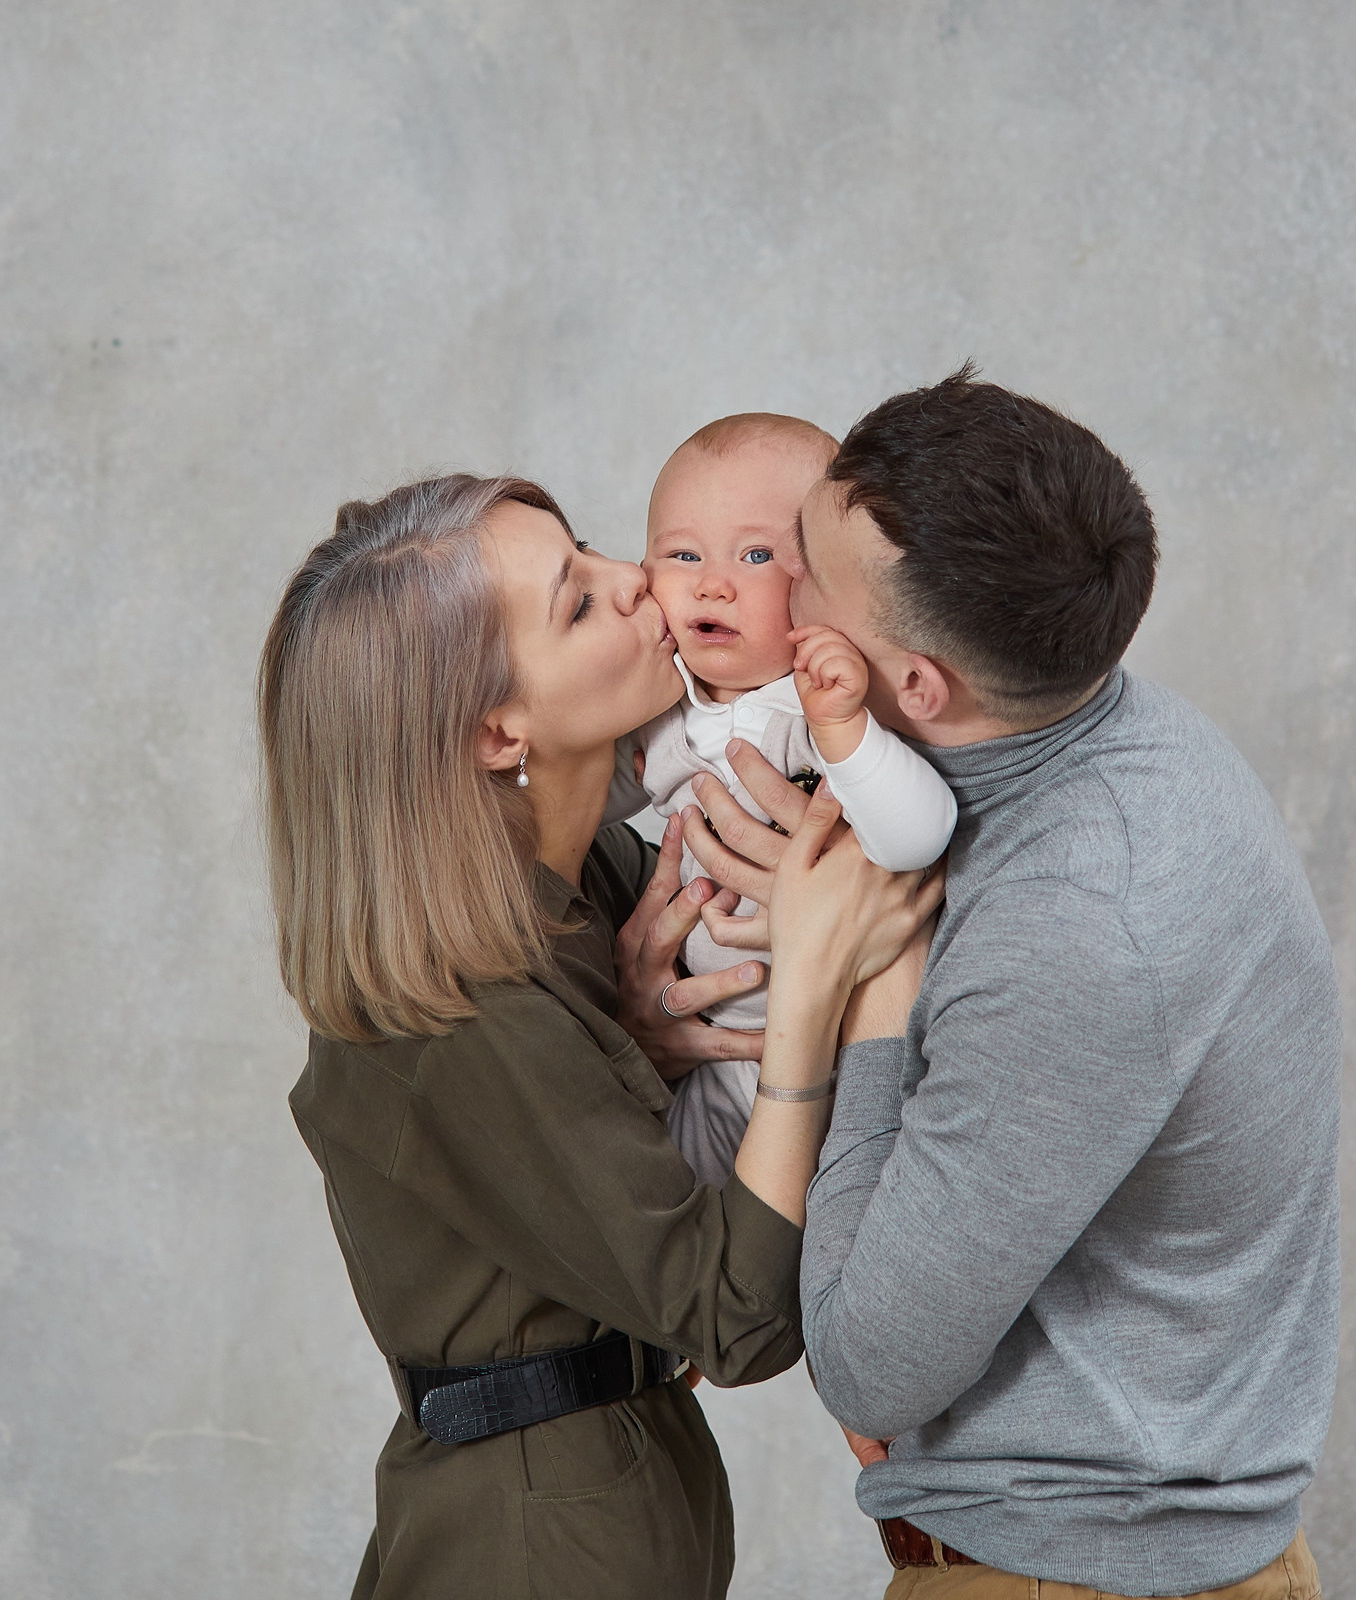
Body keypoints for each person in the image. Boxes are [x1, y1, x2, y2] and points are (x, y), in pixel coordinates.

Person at [676, 370, 1341, 1600]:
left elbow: (871, 1370)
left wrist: (863, 982)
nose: (767, 593)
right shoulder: (1115, 740)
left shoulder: (1085, 918)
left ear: (920, 685)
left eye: (803, 572)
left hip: (1071, 1578)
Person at [256, 473, 941, 1600]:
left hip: (622, 1502)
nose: (642, 582)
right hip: (529, 1551)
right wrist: (811, 990)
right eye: (577, 602)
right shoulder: (457, 1008)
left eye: (590, 551)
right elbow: (737, 1316)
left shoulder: (601, 886)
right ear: (495, 730)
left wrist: (648, 1047)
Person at [627, 413, 958, 1189]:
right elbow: (567, 816)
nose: (713, 582)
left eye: (757, 554)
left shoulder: (822, 703)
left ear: (821, 583)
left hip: (851, 1057)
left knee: (833, 1230)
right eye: (682, 555)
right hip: (715, 1055)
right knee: (689, 1240)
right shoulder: (657, 713)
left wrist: (845, 729)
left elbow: (919, 834)